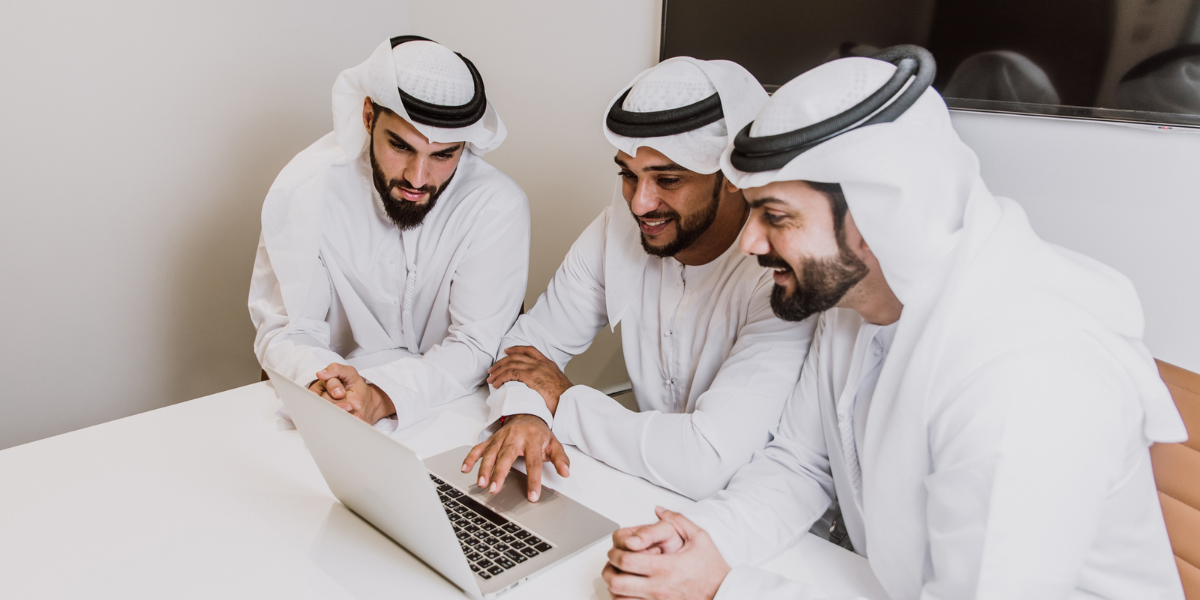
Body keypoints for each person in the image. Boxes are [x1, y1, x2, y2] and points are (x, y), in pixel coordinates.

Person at [603, 47, 1186, 600]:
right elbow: (800, 464)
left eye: (775, 217)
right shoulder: (854, 300)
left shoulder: (1027, 374)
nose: (751, 242)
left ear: (877, 216)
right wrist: (707, 542)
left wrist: (721, 586)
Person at [460, 58, 816, 502]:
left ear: (730, 176)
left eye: (667, 179)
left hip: (752, 521)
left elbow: (706, 460)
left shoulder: (781, 270)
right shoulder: (619, 229)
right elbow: (523, 351)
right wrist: (527, 416)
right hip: (639, 491)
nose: (641, 203)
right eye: (628, 175)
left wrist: (564, 401)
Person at [248, 36, 529, 431]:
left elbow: (474, 345)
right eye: (400, 146)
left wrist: (380, 396)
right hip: (333, 414)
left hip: (452, 413)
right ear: (367, 117)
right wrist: (324, 382)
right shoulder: (308, 191)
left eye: (443, 155)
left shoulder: (495, 204)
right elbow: (290, 330)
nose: (418, 178)